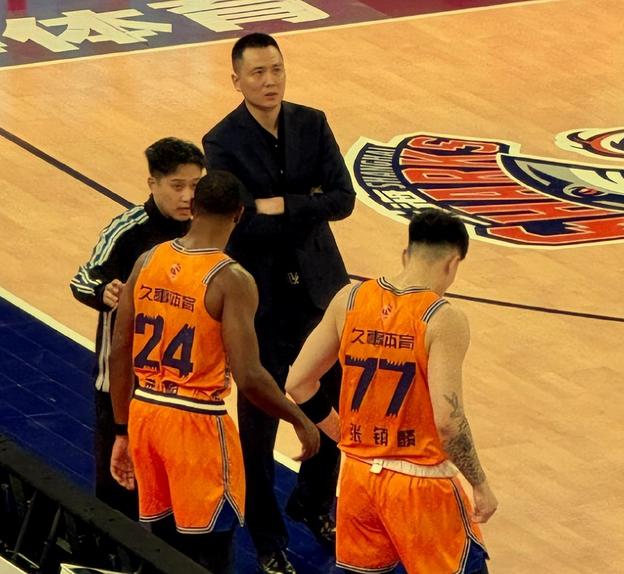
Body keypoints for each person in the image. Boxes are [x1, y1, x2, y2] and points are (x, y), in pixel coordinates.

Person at [107, 171, 320, 574]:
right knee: (210, 554)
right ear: (238, 214)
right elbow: (249, 376)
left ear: (194, 207)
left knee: (162, 549)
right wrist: (300, 418)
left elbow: (119, 352)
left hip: (145, 414)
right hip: (196, 423)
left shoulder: (148, 260)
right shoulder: (230, 279)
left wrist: (122, 430)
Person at [202, 32, 355, 572]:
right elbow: (243, 221)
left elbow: (344, 199)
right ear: (237, 80)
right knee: (259, 424)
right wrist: (307, 204)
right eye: (258, 73)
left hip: (319, 289)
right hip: (260, 299)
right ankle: (268, 541)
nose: (270, 81)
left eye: (277, 70)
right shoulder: (221, 142)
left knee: (338, 407)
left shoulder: (312, 122)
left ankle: (313, 502)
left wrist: (280, 205)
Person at [286, 208, 498, 574]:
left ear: (406, 254)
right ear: (452, 263)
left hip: (359, 478)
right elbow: (449, 423)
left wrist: (342, 434)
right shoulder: (443, 318)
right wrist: (480, 484)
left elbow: (298, 383)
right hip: (419, 485)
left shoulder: (349, 299)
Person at [69, 137, 204, 519]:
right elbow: (82, 279)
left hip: (179, 387)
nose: (187, 196)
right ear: (152, 184)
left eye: (195, 185)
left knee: (172, 497)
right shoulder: (127, 230)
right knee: (119, 492)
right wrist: (103, 291)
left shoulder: (204, 231)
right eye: (177, 186)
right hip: (122, 386)